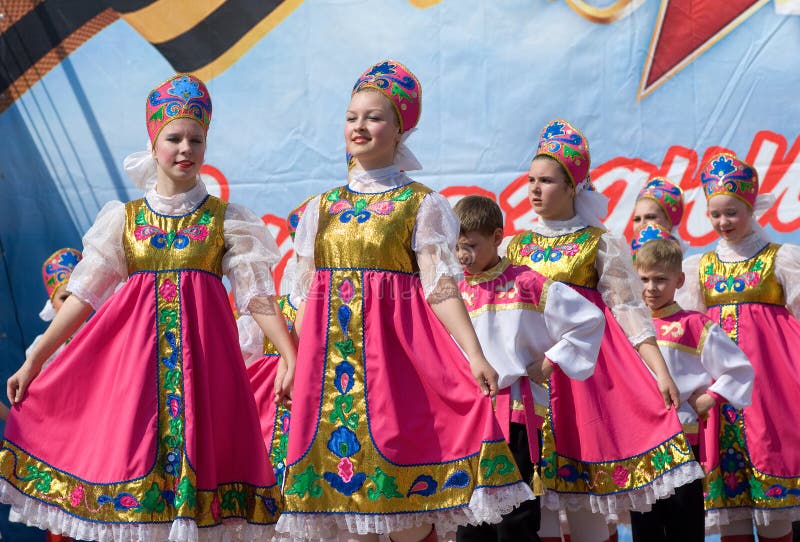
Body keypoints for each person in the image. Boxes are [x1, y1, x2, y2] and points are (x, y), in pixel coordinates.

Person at [0, 73, 296, 541]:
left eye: (195, 139)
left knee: (204, 502)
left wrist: (291, 355)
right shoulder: (125, 220)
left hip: (205, 376)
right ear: (153, 142)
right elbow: (83, 296)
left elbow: (256, 295)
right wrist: (36, 357)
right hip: (137, 378)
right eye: (173, 137)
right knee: (138, 487)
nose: (185, 148)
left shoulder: (226, 221)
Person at [276, 60, 533, 542]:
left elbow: (440, 288)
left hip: (395, 369)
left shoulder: (422, 204)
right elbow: (306, 295)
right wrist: (291, 360)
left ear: (399, 130)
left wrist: (474, 354)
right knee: (345, 511)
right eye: (352, 117)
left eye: (374, 117)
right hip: (330, 373)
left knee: (406, 506)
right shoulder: (321, 208)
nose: (359, 126)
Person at [504, 119, 704, 542]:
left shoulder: (599, 242)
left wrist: (660, 372)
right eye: (531, 180)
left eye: (547, 181)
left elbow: (630, 311)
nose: (535, 190)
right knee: (529, 506)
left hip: (582, 381)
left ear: (573, 187)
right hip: (528, 379)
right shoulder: (514, 247)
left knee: (585, 501)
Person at [452, 195, 605, 542]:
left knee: (514, 521)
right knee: (469, 520)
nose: (463, 255)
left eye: (471, 245)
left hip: (517, 414)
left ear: (496, 237)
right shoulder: (456, 290)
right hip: (471, 418)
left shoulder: (526, 282)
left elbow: (588, 320)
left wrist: (551, 361)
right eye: (458, 246)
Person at [679, 152, 800, 542]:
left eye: (732, 213)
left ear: (750, 208)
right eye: (715, 214)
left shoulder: (779, 258)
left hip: (770, 389)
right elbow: (688, 329)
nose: (723, 222)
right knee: (729, 508)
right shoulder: (701, 266)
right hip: (720, 393)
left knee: (774, 509)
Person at [631, 235, 754, 542]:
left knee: (683, 524)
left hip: (682, 437)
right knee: (645, 529)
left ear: (680, 280)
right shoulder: (630, 326)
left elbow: (739, 368)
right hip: (638, 442)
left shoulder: (693, 324)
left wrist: (710, 397)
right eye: (644, 278)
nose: (651, 288)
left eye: (661, 279)